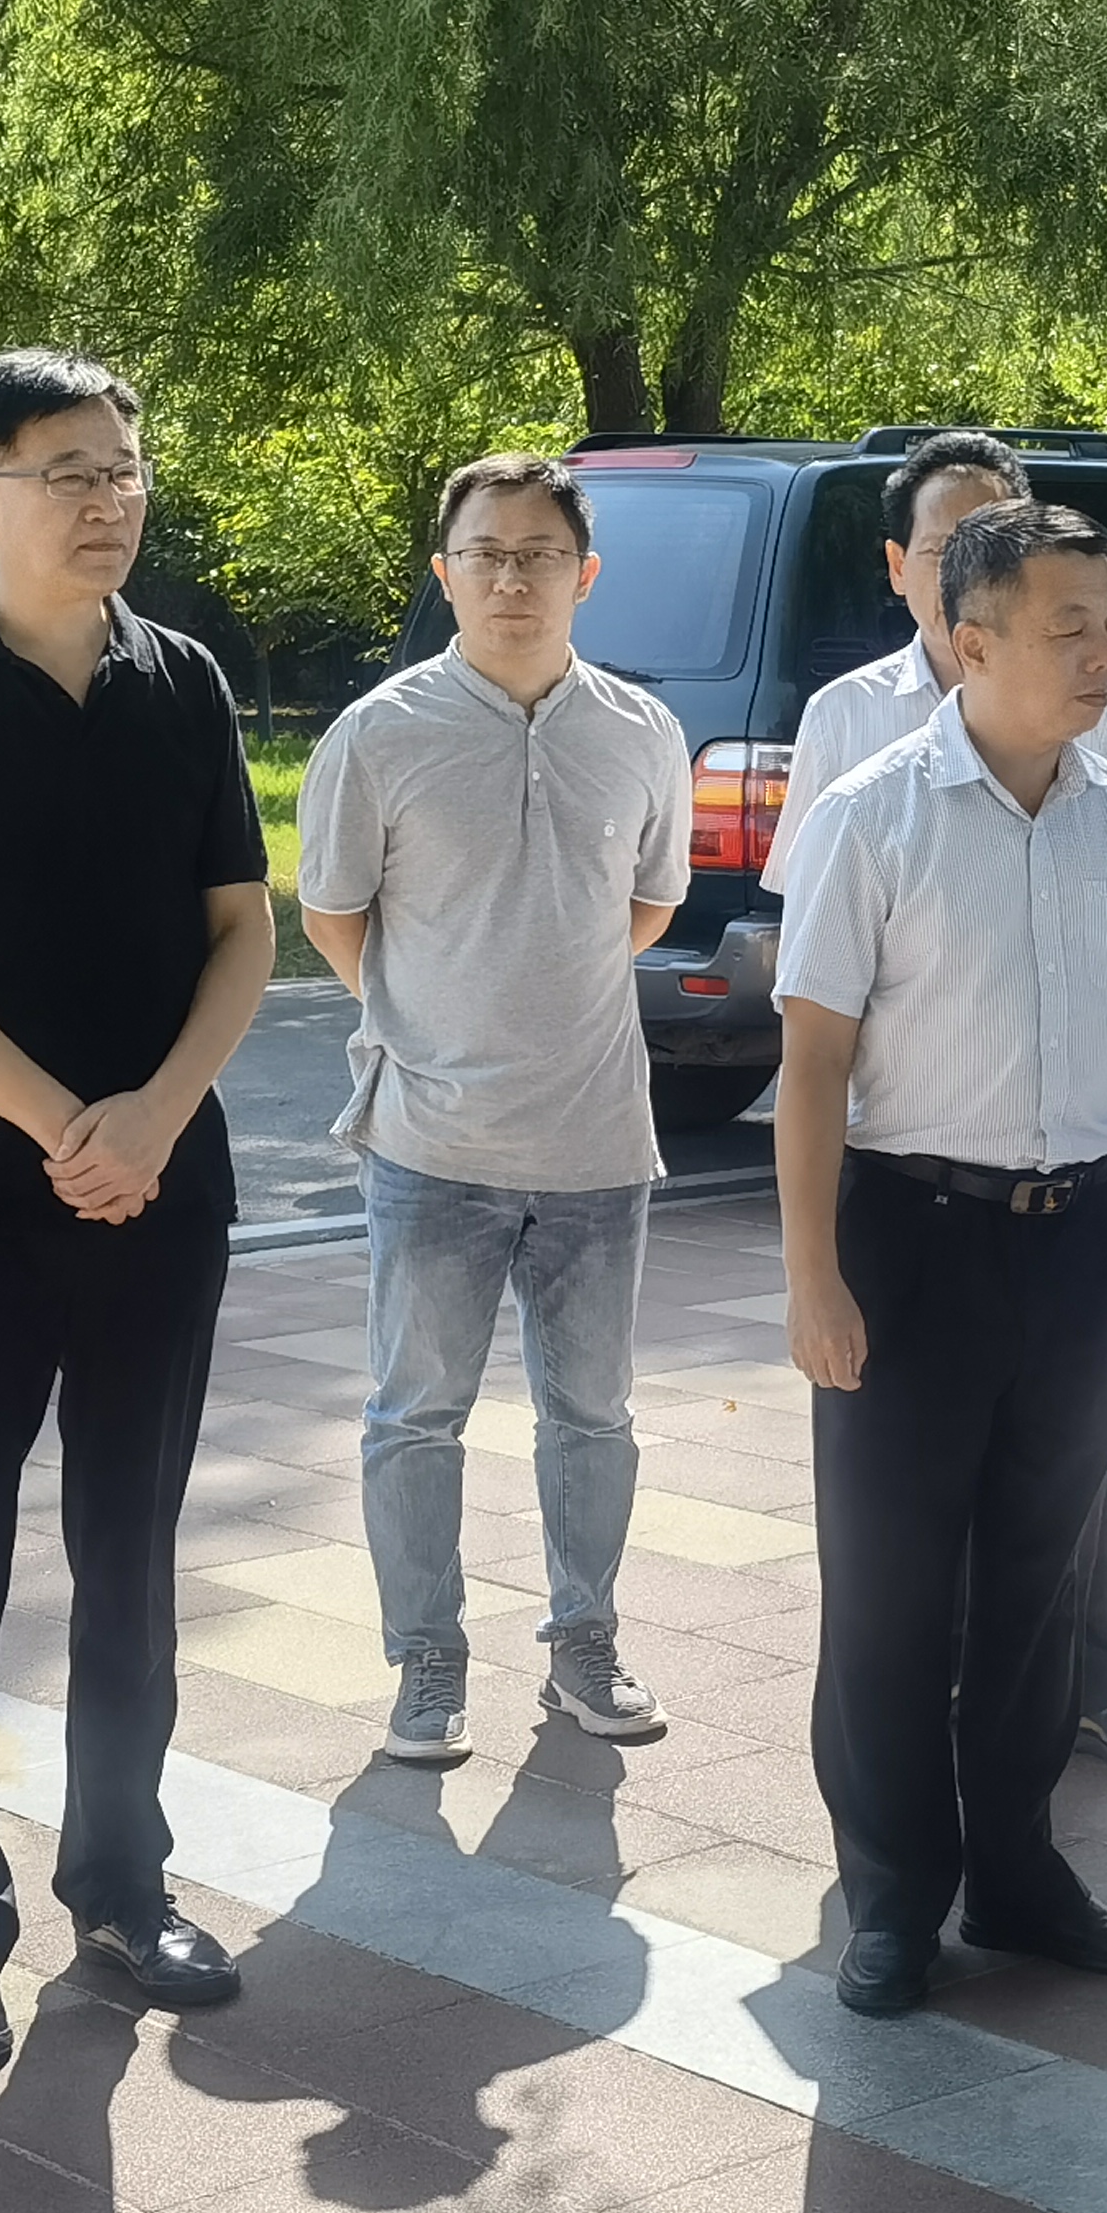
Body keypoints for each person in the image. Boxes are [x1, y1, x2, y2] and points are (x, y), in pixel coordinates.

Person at [0, 348, 276, 2075]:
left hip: (158, 1193)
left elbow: (240, 926)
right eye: (67, 472)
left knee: (130, 1560)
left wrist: (151, 1117)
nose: (108, 501)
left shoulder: (183, 682)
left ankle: (121, 1881)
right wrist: (59, 1126)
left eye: (124, 470)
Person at [774, 500, 1107, 2018]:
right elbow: (814, 1062)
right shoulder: (874, 816)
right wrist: (812, 1274)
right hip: (908, 1241)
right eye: (1067, 629)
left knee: (1041, 1580)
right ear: (969, 645)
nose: (1102, 654)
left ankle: (1020, 1873)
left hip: (1078, 1240)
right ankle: (896, 1895)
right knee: (892, 1587)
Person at [298, 453, 694, 1769]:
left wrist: (541, 992)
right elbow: (334, 917)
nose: (512, 578)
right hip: (432, 1139)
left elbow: (650, 905)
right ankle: (427, 1661)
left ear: (585, 575)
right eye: (486, 554)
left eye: (539, 555)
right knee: (415, 1414)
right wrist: (441, 1015)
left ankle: (586, 1639)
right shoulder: (379, 733)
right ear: (445, 573)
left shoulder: (641, 731)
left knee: (595, 1416)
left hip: (596, 1136)